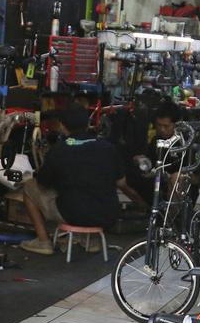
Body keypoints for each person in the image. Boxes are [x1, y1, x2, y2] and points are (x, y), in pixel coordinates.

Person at [20, 105, 147, 255]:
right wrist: (141, 203)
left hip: (72, 214)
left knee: (29, 186)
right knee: (87, 194)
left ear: (61, 125)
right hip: (108, 215)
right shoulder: (108, 148)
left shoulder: (59, 150)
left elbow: (43, 183)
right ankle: (91, 240)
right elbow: (122, 184)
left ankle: (43, 241)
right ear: (88, 124)